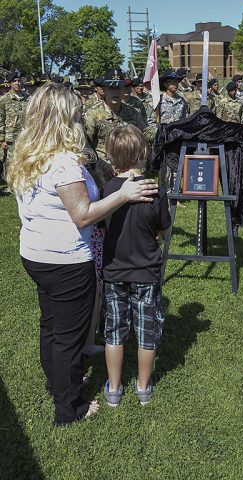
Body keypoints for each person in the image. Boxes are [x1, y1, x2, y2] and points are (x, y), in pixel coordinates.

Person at [6, 83, 158, 425]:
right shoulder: (62, 164)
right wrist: (126, 193)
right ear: (63, 119)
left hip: (35, 253)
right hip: (65, 261)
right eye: (76, 114)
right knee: (69, 338)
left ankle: (58, 383)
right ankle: (70, 407)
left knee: (51, 326)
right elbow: (84, 214)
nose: (81, 119)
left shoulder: (30, 152)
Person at [101, 125, 171, 407]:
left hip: (115, 270)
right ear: (144, 152)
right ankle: (142, 386)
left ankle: (115, 388)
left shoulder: (106, 189)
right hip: (146, 271)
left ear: (110, 155)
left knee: (114, 331)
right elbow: (163, 228)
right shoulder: (155, 190)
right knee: (147, 331)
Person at [0, 70, 29, 174]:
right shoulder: (4, 99)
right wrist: (2, 139)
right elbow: (1, 120)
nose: (17, 83)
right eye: (14, 81)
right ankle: (11, 186)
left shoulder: (28, 98)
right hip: (10, 138)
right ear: (10, 83)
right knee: (10, 164)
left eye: (19, 81)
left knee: (25, 162)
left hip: (25, 136)